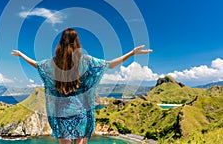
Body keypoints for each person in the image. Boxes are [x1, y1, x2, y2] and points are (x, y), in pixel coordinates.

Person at [12, 28, 152, 144]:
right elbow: (109, 64)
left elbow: (37, 65)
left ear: (61, 42)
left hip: (62, 112)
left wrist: (21, 55)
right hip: (81, 111)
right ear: (77, 42)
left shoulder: (54, 63)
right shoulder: (86, 61)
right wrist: (132, 53)